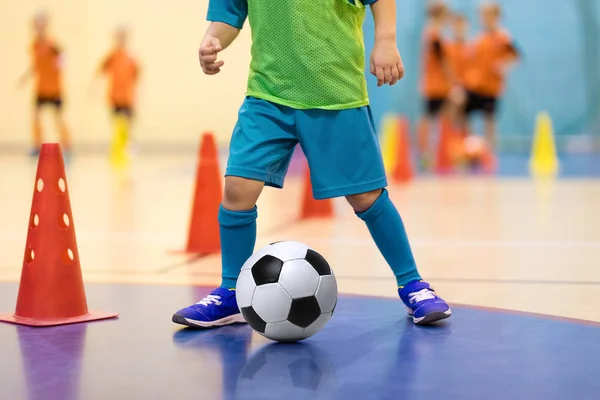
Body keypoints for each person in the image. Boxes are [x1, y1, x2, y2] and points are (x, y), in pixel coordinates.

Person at [172, 0, 452, 328]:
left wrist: (386, 40)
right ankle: (232, 290)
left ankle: (412, 283)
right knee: (238, 187)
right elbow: (229, 11)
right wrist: (212, 39)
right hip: (267, 95)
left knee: (367, 196)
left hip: (336, 93)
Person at [462, 2, 520, 154]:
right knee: (465, 115)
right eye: (482, 15)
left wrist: (503, 66)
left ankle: (489, 154)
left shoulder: (502, 36)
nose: (483, 18)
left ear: (496, 16)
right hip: (475, 85)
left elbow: (515, 56)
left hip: (490, 87)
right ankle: (470, 149)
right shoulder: (480, 38)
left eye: (487, 15)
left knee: (489, 121)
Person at [18, 11, 72, 157]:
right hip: (41, 89)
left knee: (59, 119)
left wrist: (58, 65)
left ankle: (67, 148)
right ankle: (37, 146)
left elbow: (64, 58)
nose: (38, 28)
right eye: (36, 25)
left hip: (54, 89)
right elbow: (36, 64)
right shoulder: (34, 45)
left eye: (41, 24)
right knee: (35, 117)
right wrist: (26, 76)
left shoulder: (53, 44)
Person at [417, 1, 452, 170]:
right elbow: (443, 63)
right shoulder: (434, 33)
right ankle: (428, 155)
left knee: (434, 121)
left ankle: (432, 154)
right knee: (433, 121)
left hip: (435, 84)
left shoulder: (432, 32)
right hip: (436, 85)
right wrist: (454, 83)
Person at [95, 26, 139, 159]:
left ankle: (128, 145)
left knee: (128, 123)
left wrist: (137, 97)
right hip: (114, 96)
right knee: (116, 123)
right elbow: (100, 71)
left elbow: (137, 77)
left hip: (127, 97)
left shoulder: (131, 57)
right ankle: (117, 147)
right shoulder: (111, 56)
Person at [446, 13, 470, 134]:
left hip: (466, 88)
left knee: (464, 116)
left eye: (462, 27)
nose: (460, 30)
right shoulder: (448, 47)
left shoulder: (470, 48)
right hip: (451, 88)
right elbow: (446, 70)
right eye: (457, 27)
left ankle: (464, 141)